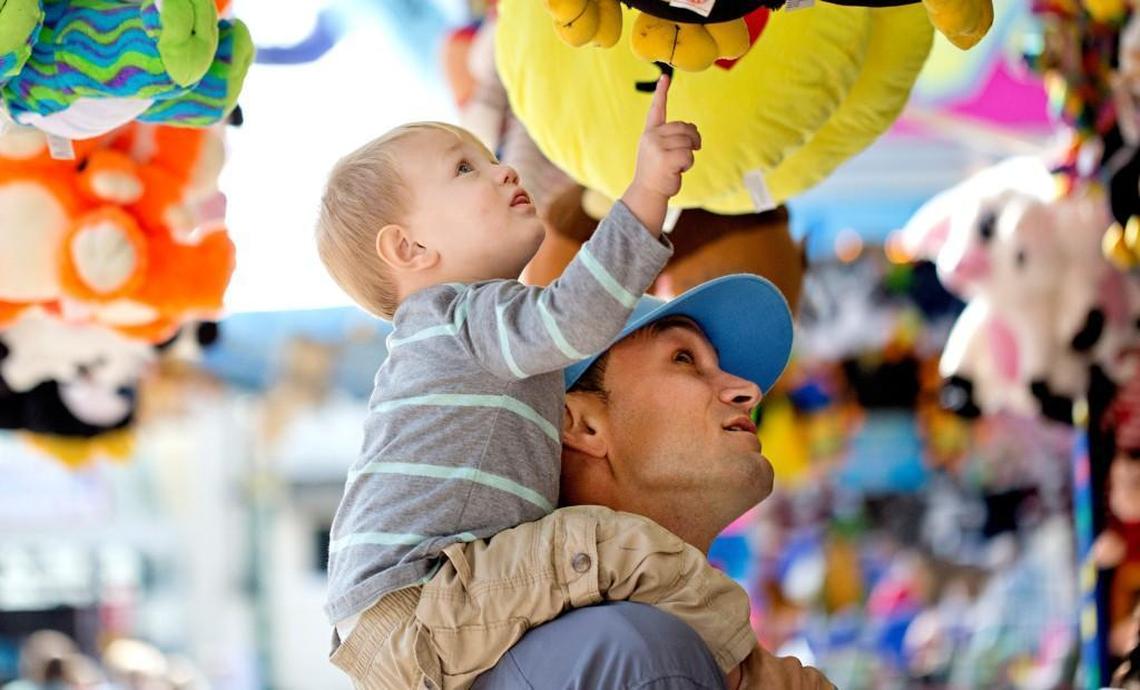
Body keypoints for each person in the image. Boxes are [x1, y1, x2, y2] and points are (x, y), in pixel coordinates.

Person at [315, 76, 770, 689]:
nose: (503, 172)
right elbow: (574, 315)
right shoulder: (456, 316)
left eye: (494, 159)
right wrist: (645, 193)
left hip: (417, 609)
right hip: (418, 596)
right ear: (410, 246)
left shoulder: (466, 333)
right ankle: (754, 675)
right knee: (617, 548)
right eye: (465, 169)